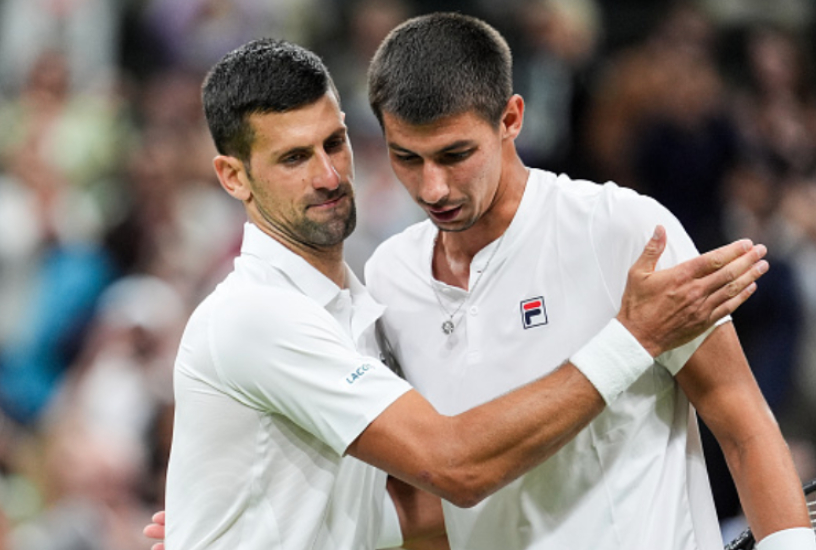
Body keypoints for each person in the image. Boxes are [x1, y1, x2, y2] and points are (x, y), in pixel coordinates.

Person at [156, 37, 770, 550]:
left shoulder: (358, 306)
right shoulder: (259, 315)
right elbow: (456, 466)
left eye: (334, 144)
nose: (329, 176)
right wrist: (634, 338)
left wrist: (240, 523)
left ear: (511, 120)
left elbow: (413, 516)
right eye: (294, 158)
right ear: (233, 177)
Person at [361, 12, 814, 550]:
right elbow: (433, 495)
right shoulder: (388, 276)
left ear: (511, 119)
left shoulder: (624, 231)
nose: (432, 188)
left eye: (455, 155)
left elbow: (744, 426)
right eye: (406, 157)